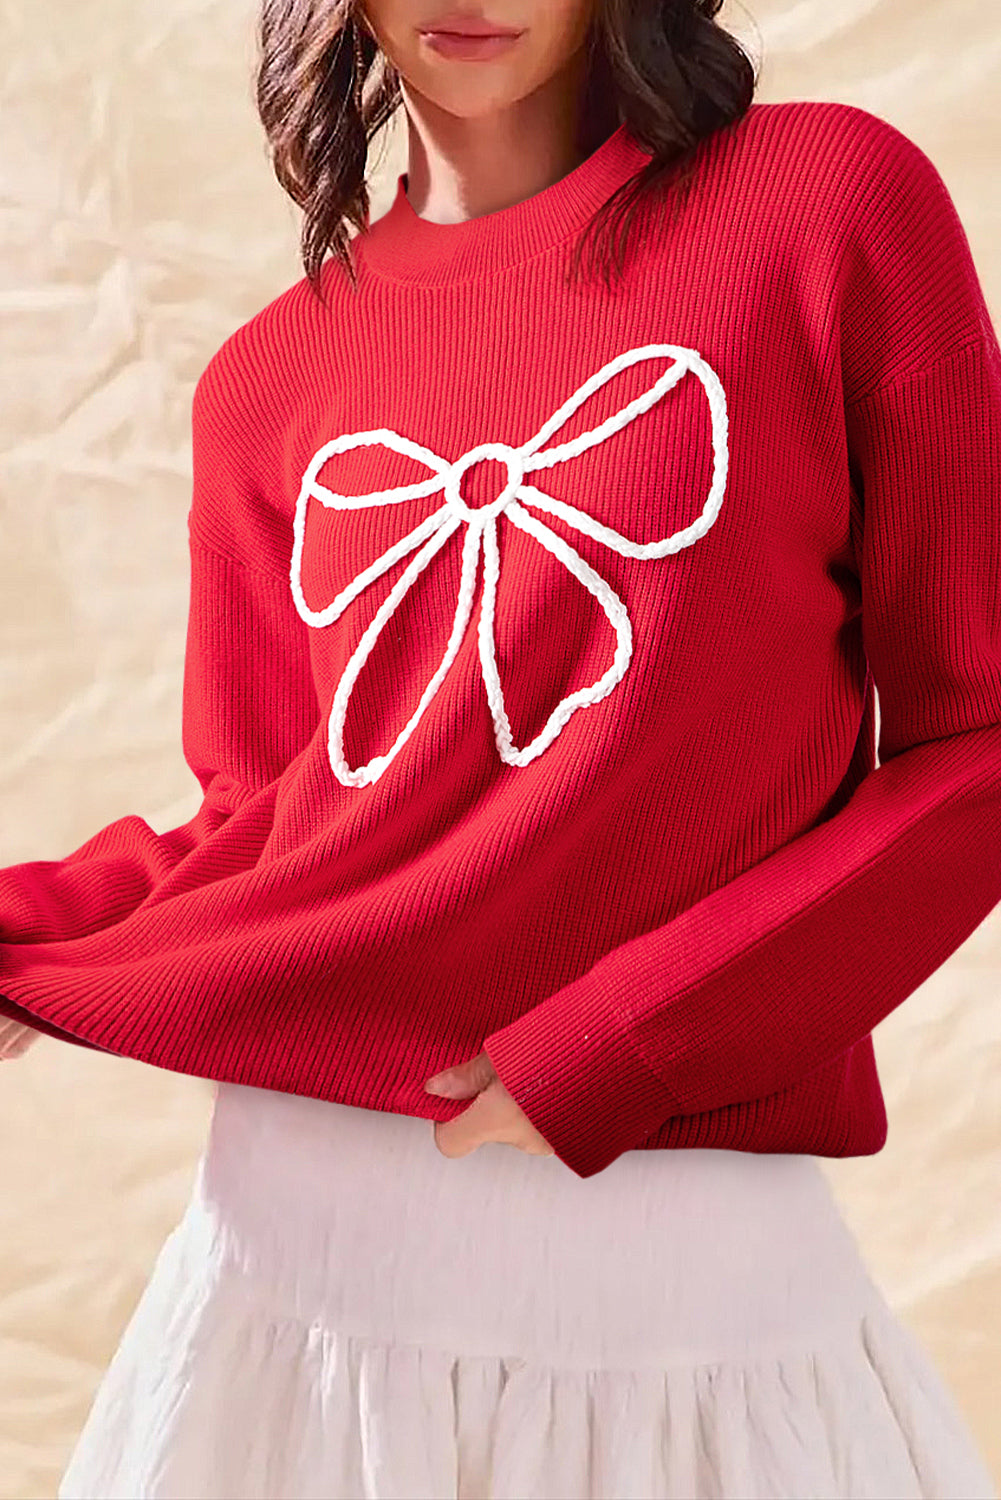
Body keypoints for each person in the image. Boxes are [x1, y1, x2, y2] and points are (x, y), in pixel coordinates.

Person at [2, 1, 1000, 1495]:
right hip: (288, 1275)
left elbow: (977, 741)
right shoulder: (266, 381)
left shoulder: (825, 203)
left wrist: (630, 1041)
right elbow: (277, 817)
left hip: (683, 1280)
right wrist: (41, 929)